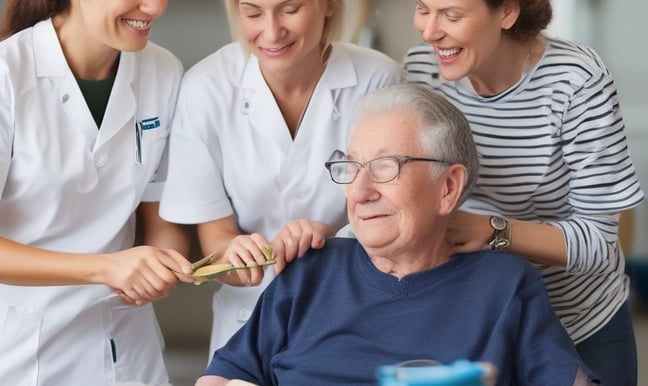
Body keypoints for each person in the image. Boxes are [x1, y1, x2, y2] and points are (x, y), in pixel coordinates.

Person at [195, 83, 597, 386]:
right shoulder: (309, 272)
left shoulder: (504, 287)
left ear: (448, 187)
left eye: (385, 167)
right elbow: (222, 376)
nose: (360, 191)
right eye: (352, 168)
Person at [0, 0, 194, 384]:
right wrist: (106, 268)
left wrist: (163, 267)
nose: (155, 7)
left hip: (118, 344)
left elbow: (161, 216)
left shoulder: (164, 71)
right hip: (3, 352)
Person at [402, 0, 645, 384]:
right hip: (476, 317)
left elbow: (598, 243)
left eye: (451, 14)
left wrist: (490, 230)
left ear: (507, 12)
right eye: (422, 7)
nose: (429, 31)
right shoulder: (420, 69)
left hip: (578, 322)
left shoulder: (576, 81)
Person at [159, 0, 402, 360]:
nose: (271, 32)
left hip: (354, 315)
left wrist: (331, 238)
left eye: (290, 9)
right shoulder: (205, 88)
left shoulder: (379, 79)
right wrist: (235, 253)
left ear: (328, 5)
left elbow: (398, 219)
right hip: (246, 325)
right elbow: (217, 239)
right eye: (253, 13)